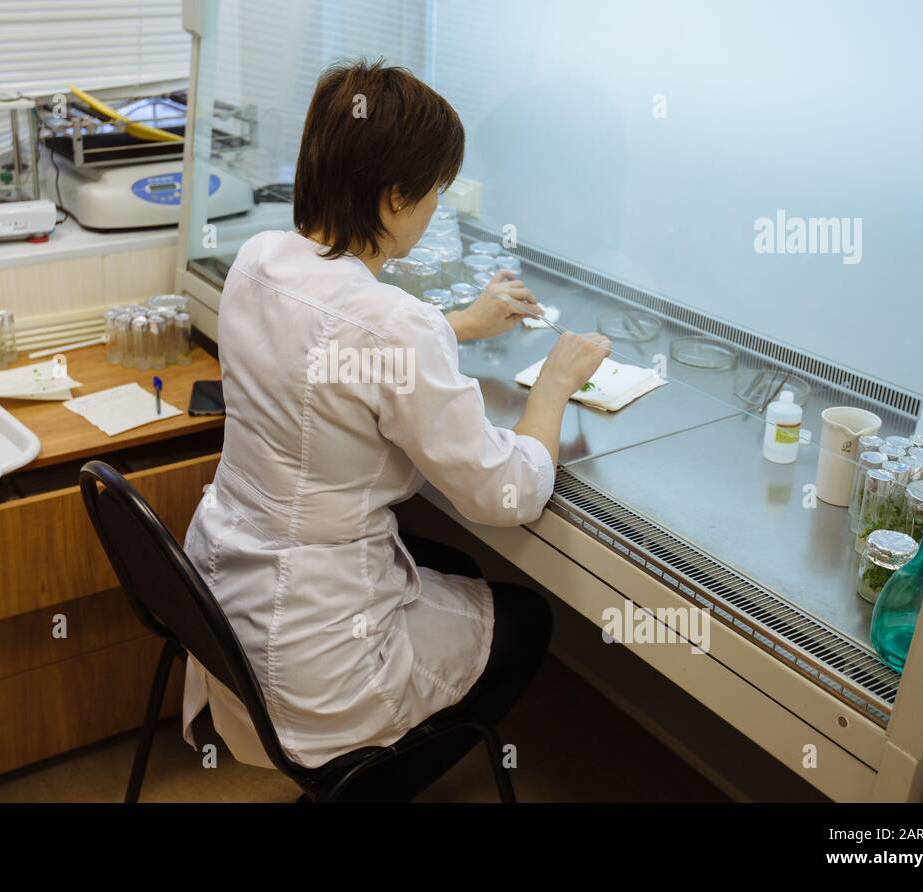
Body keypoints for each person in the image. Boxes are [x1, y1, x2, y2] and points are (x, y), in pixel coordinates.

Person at [180, 59, 610, 799]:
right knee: (528, 619)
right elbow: (504, 495)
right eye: (437, 190)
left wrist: (460, 326)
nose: (438, 207)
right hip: (319, 642)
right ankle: (365, 788)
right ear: (395, 195)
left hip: (228, 587)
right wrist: (558, 385)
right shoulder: (395, 326)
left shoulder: (257, 260)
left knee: (457, 575)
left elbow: (333, 343)